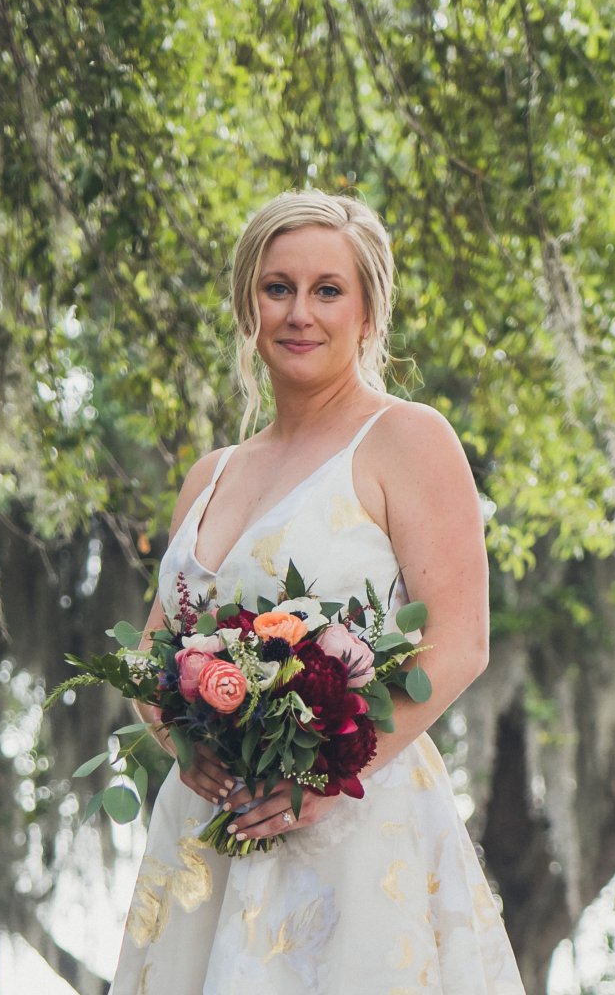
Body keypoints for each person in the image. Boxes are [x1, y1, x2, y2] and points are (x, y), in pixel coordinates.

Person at [110, 192, 519, 992]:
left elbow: (462, 641)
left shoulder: (408, 438)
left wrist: (320, 782)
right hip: (209, 835)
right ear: (247, 305)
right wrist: (186, 745)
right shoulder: (211, 474)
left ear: (368, 313)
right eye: (277, 288)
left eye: (327, 290)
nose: (300, 313)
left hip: (353, 832)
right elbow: (151, 658)